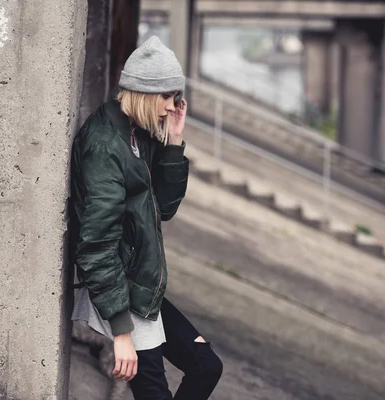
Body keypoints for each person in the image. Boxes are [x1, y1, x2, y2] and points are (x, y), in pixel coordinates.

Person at [70, 36, 223, 399]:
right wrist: (122, 334)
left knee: (206, 366)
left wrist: (173, 141)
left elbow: (163, 209)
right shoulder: (106, 147)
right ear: (144, 92)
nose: (172, 107)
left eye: (176, 98)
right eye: (167, 97)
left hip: (141, 287)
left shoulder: (138, 136)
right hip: (121, 292)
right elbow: (95, 246)